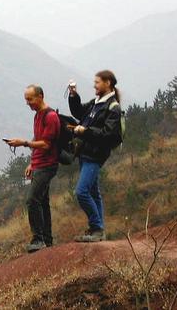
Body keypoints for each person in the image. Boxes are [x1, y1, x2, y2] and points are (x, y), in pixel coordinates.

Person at [68, 70, 123, 242]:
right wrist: (73, 95)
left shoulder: (113, 107)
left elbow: (108, 134)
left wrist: (85, 131)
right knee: (94, 192)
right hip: (85, 152)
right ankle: (99, 231)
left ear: (108, 83)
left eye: (97, 82)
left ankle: (96, 228)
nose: (94, 85)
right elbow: (79, 113)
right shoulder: (96, 103)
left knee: (81, 192)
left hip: (95, 155)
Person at [5, 84, 60, 252]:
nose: (28, 103)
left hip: (48, 165)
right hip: (39, 164)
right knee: (43, 202)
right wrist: (32, 163)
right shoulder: (37, 115)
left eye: (30, 99)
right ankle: (47, 241)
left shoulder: (50, 117)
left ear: (40, 96)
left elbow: (45, 144)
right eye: (26, 100)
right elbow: (38, 139)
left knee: (33, 200)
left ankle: (38, 239)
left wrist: (23, 143)